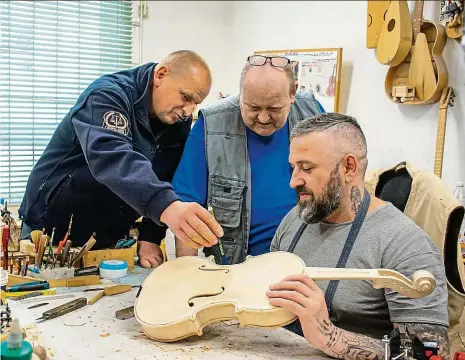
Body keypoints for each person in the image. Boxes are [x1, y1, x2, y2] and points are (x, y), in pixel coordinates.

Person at [266, 113, 450, 360]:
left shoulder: (406, 245)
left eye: (307, 168)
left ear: (348, 167)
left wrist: (330, 336)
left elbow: (429, 354)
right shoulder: (297, 217)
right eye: (293, 167)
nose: (293, 181)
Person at [19, 50, 223, 268]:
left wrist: (150, 236)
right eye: (185, 97)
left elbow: (166, 173)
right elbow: (113, 158)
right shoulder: (107, 96)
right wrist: (169, 208)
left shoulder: (175, 118)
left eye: (196, 103)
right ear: (161, 75)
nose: (188, 110)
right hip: (52, 231)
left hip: (110, 236)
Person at [172, 55, 325, 264]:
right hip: (237, 268)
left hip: (305, 262)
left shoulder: (314, 114)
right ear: (241, 92)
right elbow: (188, 210)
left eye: (274, 109)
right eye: (253, 107)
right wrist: (184, 276)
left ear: (293, 93)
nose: (263, 118)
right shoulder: (211, 126)